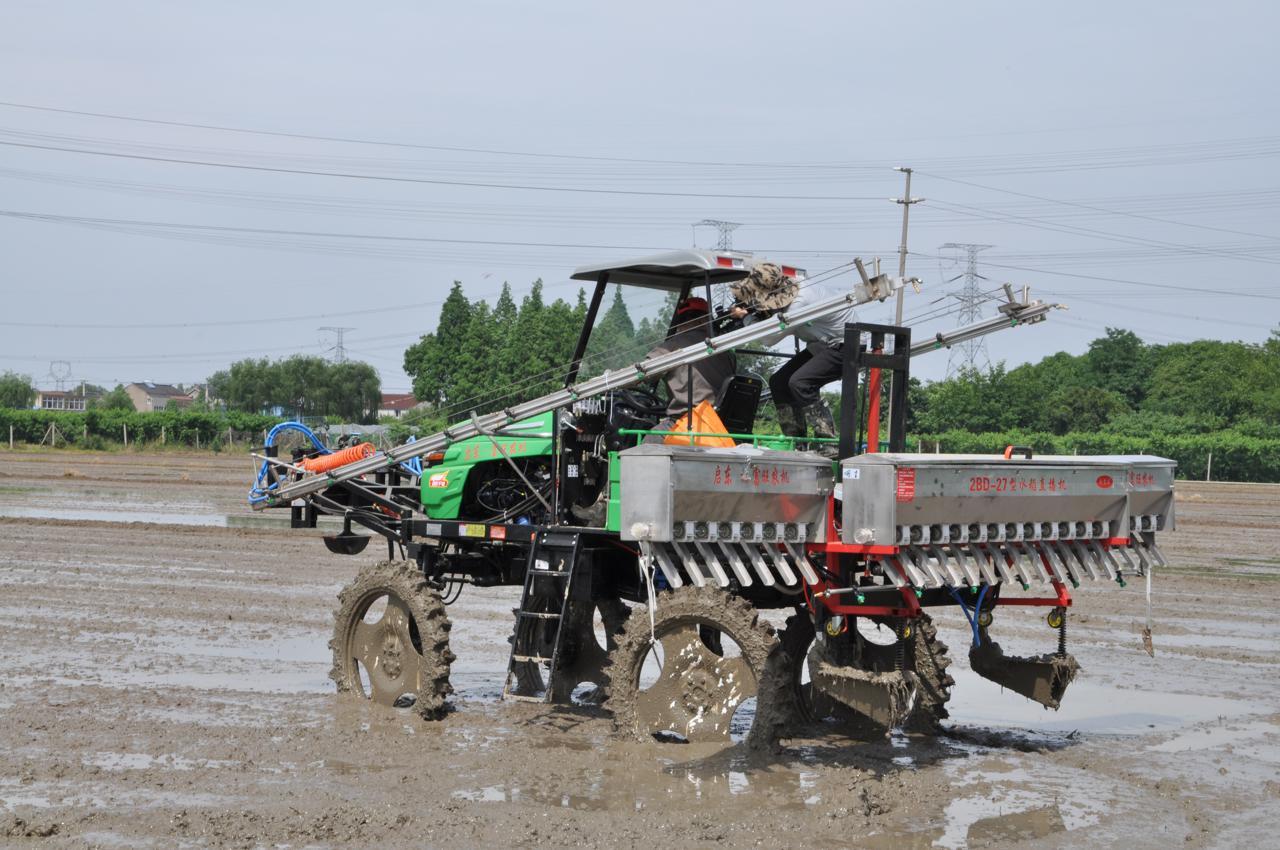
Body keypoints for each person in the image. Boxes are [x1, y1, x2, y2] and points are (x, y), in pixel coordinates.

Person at [728, 263, 855, 458]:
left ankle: (828, 441)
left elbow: (769, 339)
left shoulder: (799, 303)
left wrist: (746, 319)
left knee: (800, 383)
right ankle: (797, 441)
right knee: (778, 382)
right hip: (822, 344)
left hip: (847, 344)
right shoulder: (791, 288)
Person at [643, 296, 737, 442]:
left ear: (680, 323)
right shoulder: (725, 351)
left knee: (647, 442)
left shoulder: (671, 347)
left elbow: (644, 373)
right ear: (706, 320)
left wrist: (610, 379)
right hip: (721, 424)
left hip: (690, 423)